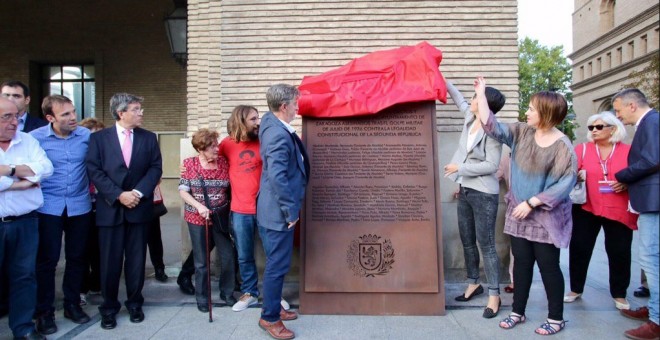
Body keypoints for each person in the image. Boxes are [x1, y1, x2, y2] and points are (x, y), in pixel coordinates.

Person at [476, 76, 577, 335]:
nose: (526, 112)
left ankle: (556, 318)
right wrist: (480, 95)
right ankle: (517, 312)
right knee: (521, 265)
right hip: (518, 215)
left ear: (546, 113)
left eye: (532, 108)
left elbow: (565, 183)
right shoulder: (521, 132)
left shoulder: (562, 145)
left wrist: (533, 202)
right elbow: (492, 126)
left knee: (548, 267)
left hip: (545, 217)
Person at [86, 93, 162, 330]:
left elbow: (155, 168)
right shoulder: (100, 139)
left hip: (139, 208)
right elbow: (94, 170)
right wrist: (119, 195)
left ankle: (135, 303)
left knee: (137, 260)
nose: (141, 113)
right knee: (109, 262)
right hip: (111, 209)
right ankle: (109, 308)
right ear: (121, 113)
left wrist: (137, 193)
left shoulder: (149, 138)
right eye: (136, 109)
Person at [30, 95, 93, 335]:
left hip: (80, 206)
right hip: (48, 208)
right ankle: (44, 312)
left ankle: (72, 305)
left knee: (77, 258)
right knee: (47, 261)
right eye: (65, 114)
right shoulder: (34, 139)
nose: (73, 117)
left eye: (73, 111)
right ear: (50, 118)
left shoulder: (86, 136)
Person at [563, 112, 637, 311]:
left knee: (619, 251)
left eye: (598, 127)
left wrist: (627, 183)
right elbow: (567, 174)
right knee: (579, 248)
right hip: (587, 206)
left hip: (618, 208)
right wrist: (575, 177)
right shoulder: (582, 149)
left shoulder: (629, 151)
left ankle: (620, 293)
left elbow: (639, 174)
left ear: (613, 129)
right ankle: (575, 289)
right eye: (591, 127)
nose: (593, 131)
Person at [444, 81, 504, 318]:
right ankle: (473, 283)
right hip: (465, 190)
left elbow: (491, 165)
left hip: (484, 193)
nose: (471, 99)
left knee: (486, 245)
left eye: (476, 97)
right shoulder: (469, 118)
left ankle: (494, 295)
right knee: (467, 240)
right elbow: (458, 98)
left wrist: (461, 167)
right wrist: (441, 78)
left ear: (486, 104)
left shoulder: (494, 131)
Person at [257, 84, 309, 340]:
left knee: (276, 264)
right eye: (295, 103)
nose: (298, 107)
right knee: (277, 266)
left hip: (272, 209)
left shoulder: (271, 123)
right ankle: (269, 318)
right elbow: (277, 177)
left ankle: (273, 305)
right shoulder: (277, 133)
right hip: (278, 213)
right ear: (284, 107)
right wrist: (291, 212)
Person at [0, 97, 53, 339]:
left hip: (25, 221)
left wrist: (8, 171)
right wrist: (19, 182)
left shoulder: (28, 140)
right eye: (7, 117)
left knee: (24, 276)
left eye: (16, 116)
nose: (15, 122)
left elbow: (45, 169)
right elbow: (33, 174)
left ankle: (23, 329)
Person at [612, 88, 660, 340]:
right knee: (651, 259)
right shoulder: (650, 123)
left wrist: (623, 176)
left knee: (651, 259)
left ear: (632, 105)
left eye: (618, 110)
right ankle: (654, 310)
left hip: (654, 202)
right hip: (650, 201)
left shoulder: (652, 121)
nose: (618, 116)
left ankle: (657, 321)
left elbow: (652, 159)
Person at [179, 128, 236, 312]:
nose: (216, 149)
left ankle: (227, 293)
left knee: (227, 256)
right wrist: (199, 206)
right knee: (202, 261)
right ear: (200, 149)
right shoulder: (190, 164)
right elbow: (183, 190)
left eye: (216, 145)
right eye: (211, 147)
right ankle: (202, 298)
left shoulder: (224, 163)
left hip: (219, 217)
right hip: (197, 218)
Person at [78, 118, 105, 305]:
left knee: (101, 249)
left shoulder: (106, 154)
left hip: (102, 207)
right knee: (82, 250)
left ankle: (98, 283)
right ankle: (81, 288)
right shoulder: (80, 156)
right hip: (82, 207)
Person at [148, 183, 169, 282]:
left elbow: (158, 175)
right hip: (130, 199)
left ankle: (159, 268)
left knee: (154, 238)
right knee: (133, 241)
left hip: (150, 202)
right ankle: (134, 269)